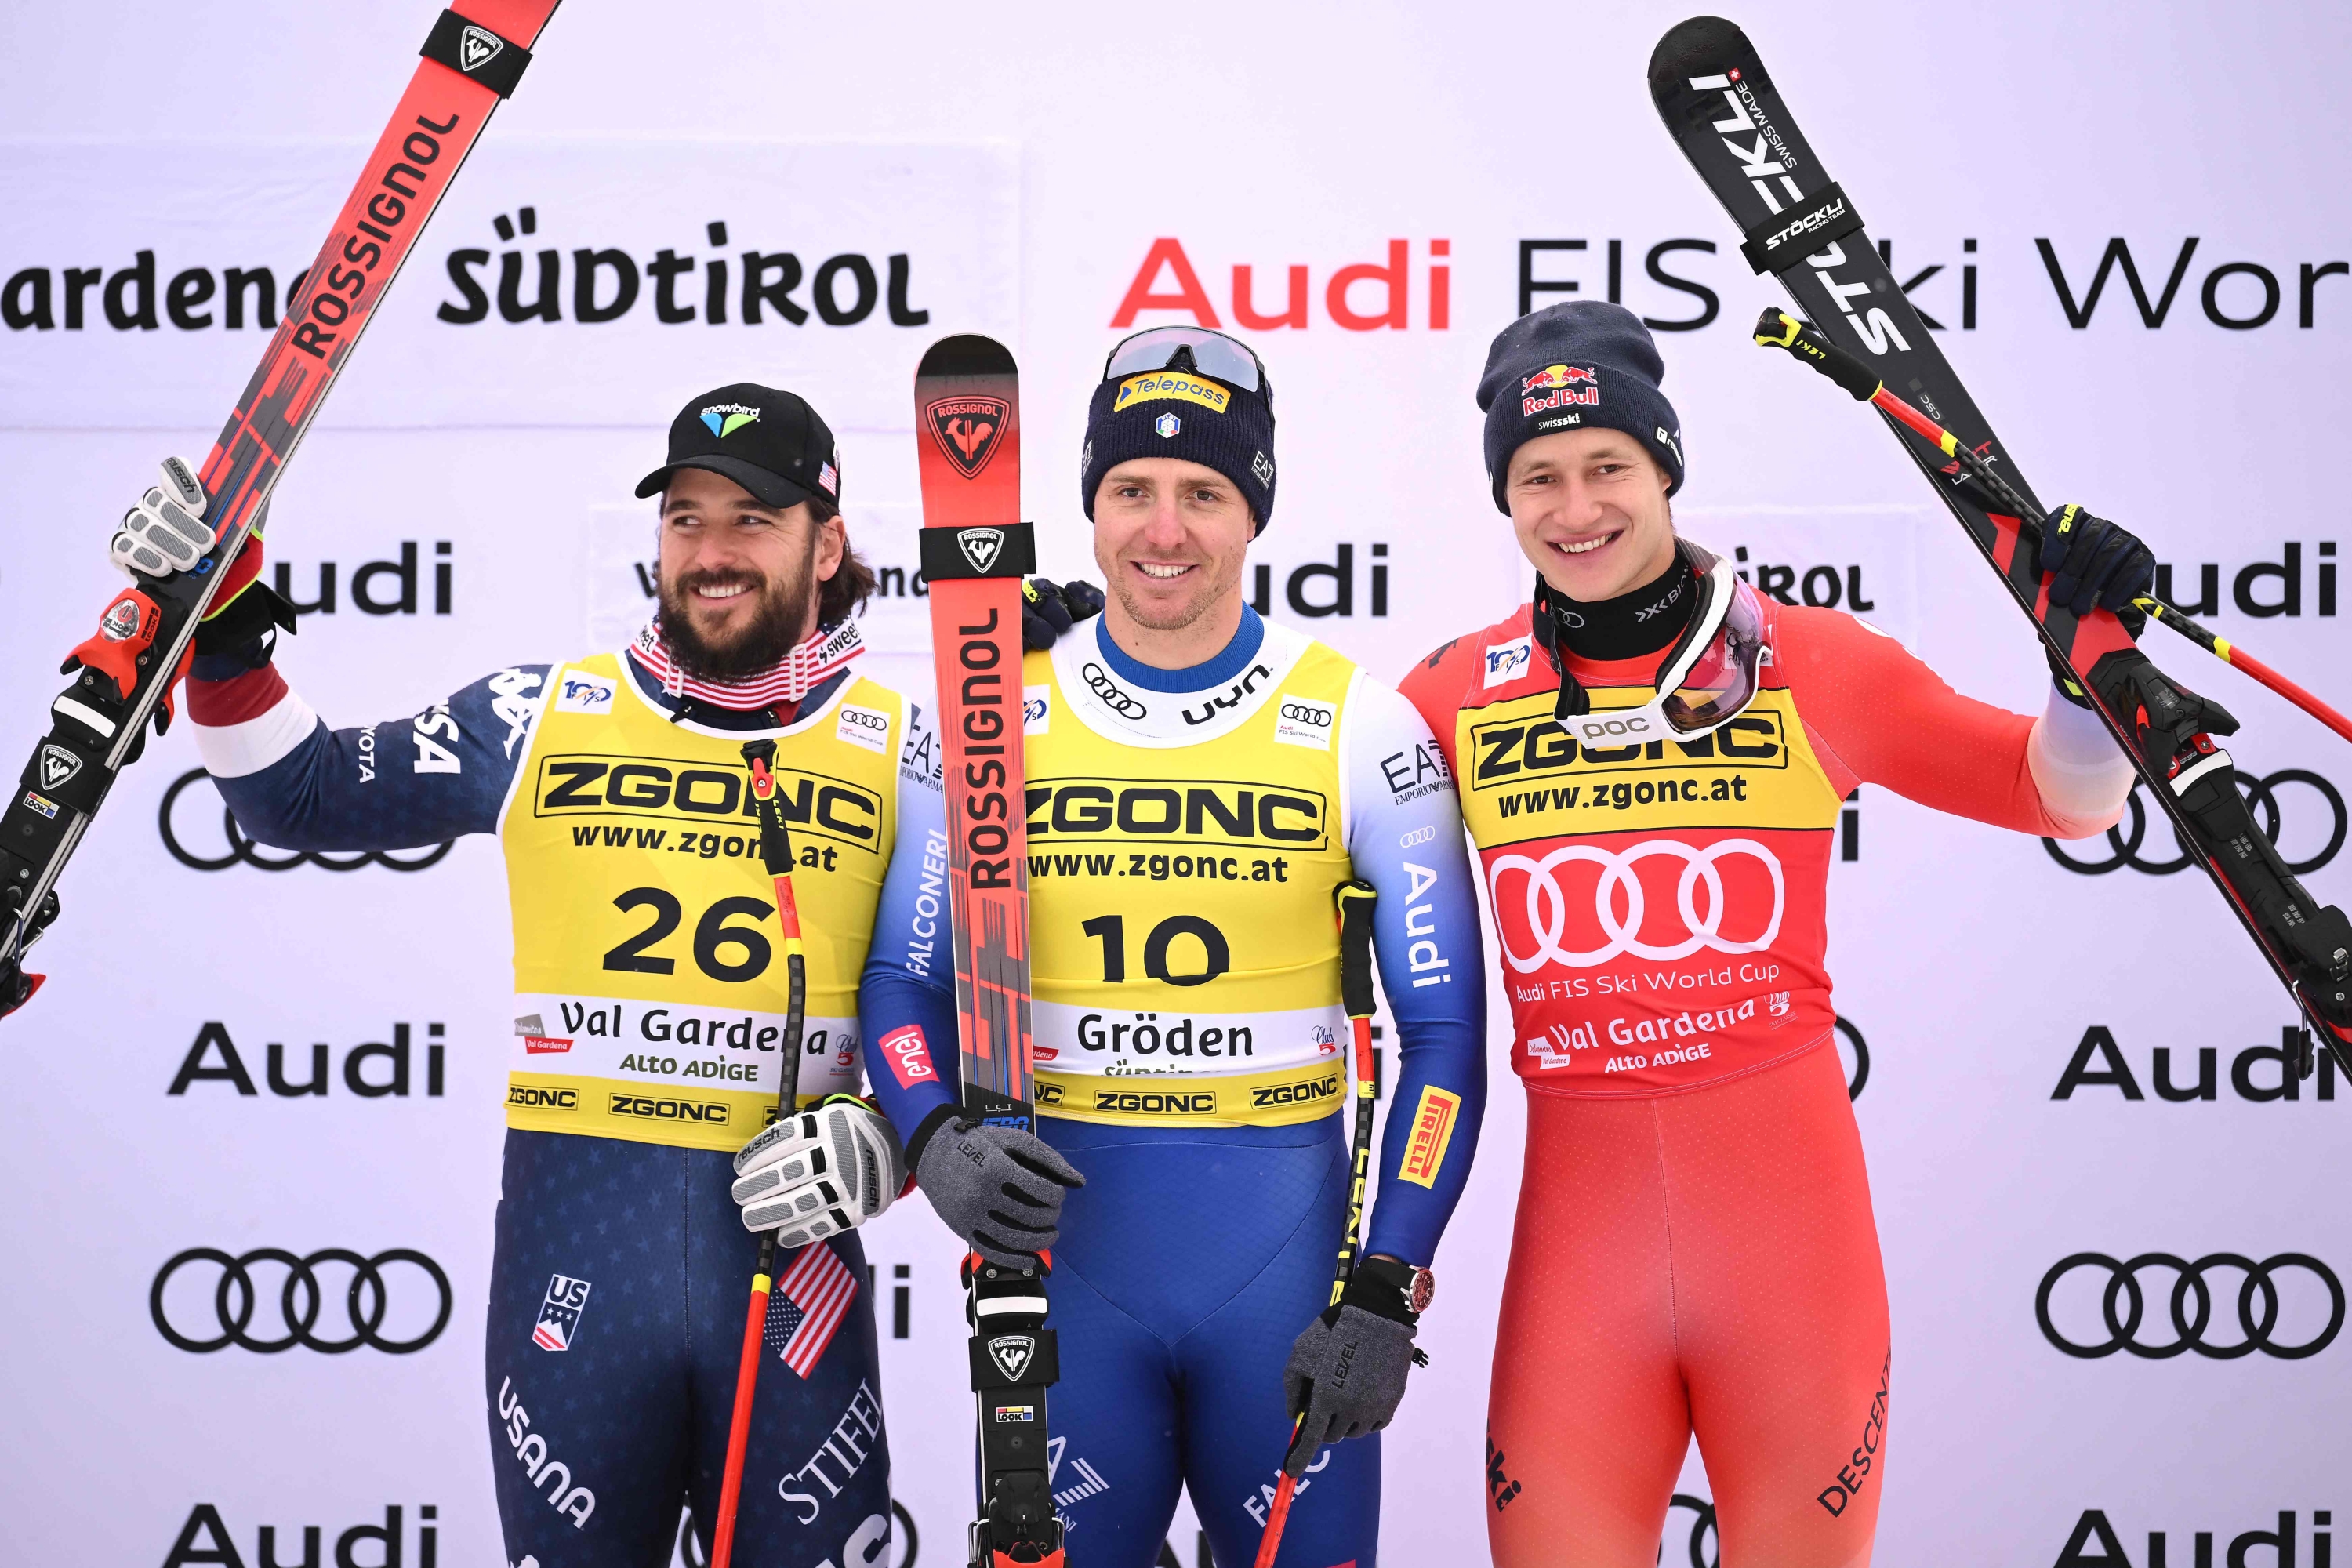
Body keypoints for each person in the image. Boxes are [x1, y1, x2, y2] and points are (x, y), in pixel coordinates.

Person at [125, 385, 930, 1568]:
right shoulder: (540, 714)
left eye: (753, 521)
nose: (713, 553)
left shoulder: (911, 750)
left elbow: (967, 1014)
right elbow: (292, 794)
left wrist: (888, 1139)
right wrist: (227, 628)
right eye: (688, 518)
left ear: (828, 543)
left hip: (791, 1289)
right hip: (576, 1279)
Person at [1395, 301, 2146, 1568]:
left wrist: (2092, 658)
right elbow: (1278, 838)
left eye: (1607, 468)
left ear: (1665, 467)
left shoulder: (1806, 660)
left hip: (1792, 1259)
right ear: (1505, 499)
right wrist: (1074, 671)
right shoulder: (1454, 696)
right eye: (1539, 479)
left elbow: (2063, 795)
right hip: (1582, 1266)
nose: (1575, 509)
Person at [855, 328, 1489, 1568]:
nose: (1165, 529)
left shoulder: (1361, 728)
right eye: (1131, 492)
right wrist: (935, 1139)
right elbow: (904, 980)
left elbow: (1448, 1036)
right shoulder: (991, 715)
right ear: (1090, 510)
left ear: (1253, 512)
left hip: (1286, 1270)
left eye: (1204, 493)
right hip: (1066, 1260)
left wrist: (1384, 1281)